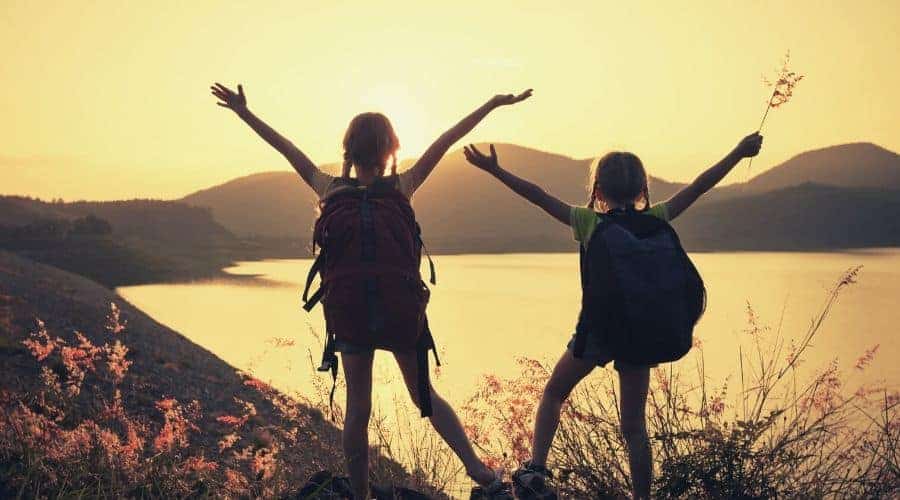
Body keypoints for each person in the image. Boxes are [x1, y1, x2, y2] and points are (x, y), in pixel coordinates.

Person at [211, 82, 531, 499]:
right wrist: (491, 103)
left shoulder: (329, 189)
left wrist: (244, 112)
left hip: (351, 316)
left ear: (348, 152)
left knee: (357, 410)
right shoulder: (403, 186)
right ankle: (480, 473)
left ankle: (360, 496)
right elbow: (448, 137)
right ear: (391, 150)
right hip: (401, 315)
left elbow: (285, 147)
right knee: (425, 398)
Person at [463, 132, 763, 499]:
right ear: (642, 190)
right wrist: (739, 151)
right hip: (640, 332)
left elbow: (539, 196)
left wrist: (496, 171)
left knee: (555, 391)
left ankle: (537, 470)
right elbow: (700, 185)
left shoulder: (589, 223)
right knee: (634, 427)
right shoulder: (658, 216)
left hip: (598, 331)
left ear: (598, 191)